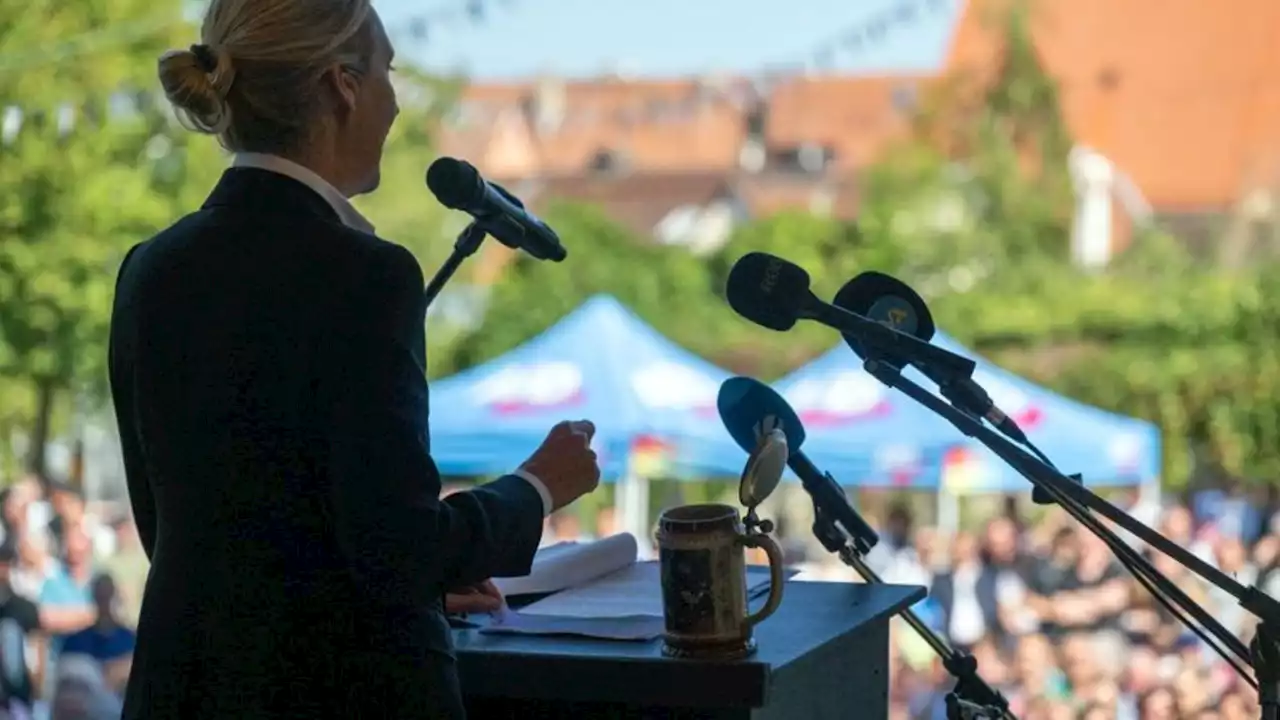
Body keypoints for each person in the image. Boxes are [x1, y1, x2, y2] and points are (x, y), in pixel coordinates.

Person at [108, 0, 601, 717]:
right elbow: (398, 547)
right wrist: (537, 486)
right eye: (388, 73)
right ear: (343, 85)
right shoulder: (365, 275)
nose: (395, 104)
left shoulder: (150, 268)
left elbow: (185, 532)